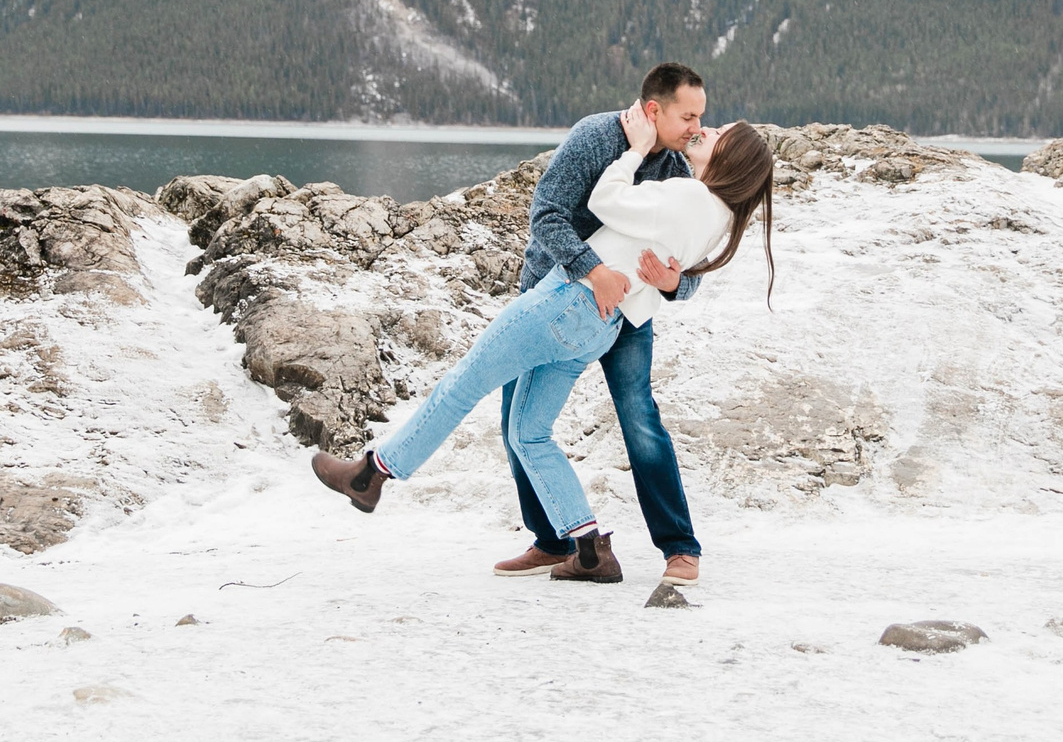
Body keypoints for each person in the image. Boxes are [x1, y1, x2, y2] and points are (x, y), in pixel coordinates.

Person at [309, 102, 777, 586]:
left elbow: (605, 202)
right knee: (529, 433)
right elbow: (664, 267)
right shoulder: (717, 217)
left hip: (566, 301)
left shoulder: (688, 193)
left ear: (731, 159)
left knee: (463, 385)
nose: (708, 128)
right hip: (601, 322)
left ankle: (372, 474)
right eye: (699, 119)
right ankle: (589, 549)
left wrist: (634, 152)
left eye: (720, 131)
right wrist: (648, 290)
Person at [498, 61, 716, 585]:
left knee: (640, 418)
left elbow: (691, 269)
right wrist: (592, 272)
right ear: (654, 110)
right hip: (551, 297)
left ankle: (680, 548)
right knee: (517, 422)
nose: (696, 127)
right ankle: (552, 541)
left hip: (626, 313)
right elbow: (546, 214)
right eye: (688, 116)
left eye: (700, 117)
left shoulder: (679, 171)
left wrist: (673, 285)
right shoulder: (595, 137)